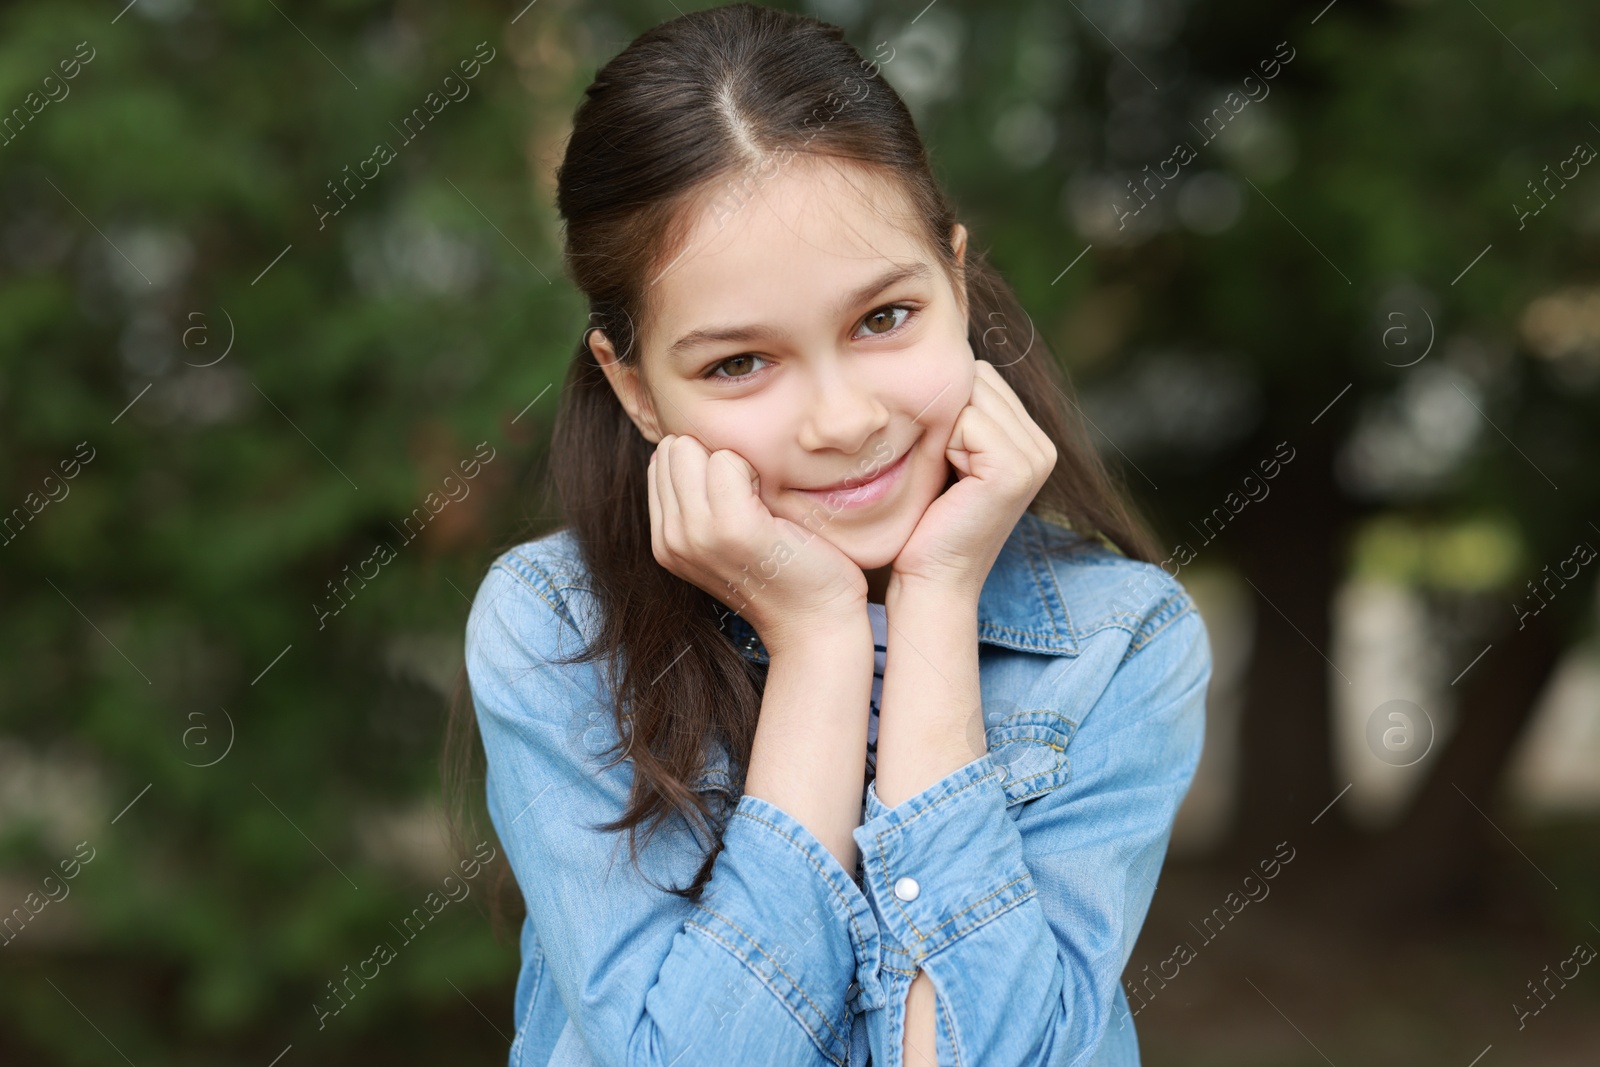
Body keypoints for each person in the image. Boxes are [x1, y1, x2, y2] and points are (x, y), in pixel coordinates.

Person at [453, 5, 1209, 1064]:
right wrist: (820, 643)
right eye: (738, 363)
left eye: (883, 317)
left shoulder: (1117, 640)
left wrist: (938, 602)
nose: (843, 420)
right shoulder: (555, 628)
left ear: (952, 277)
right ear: (637, 391)